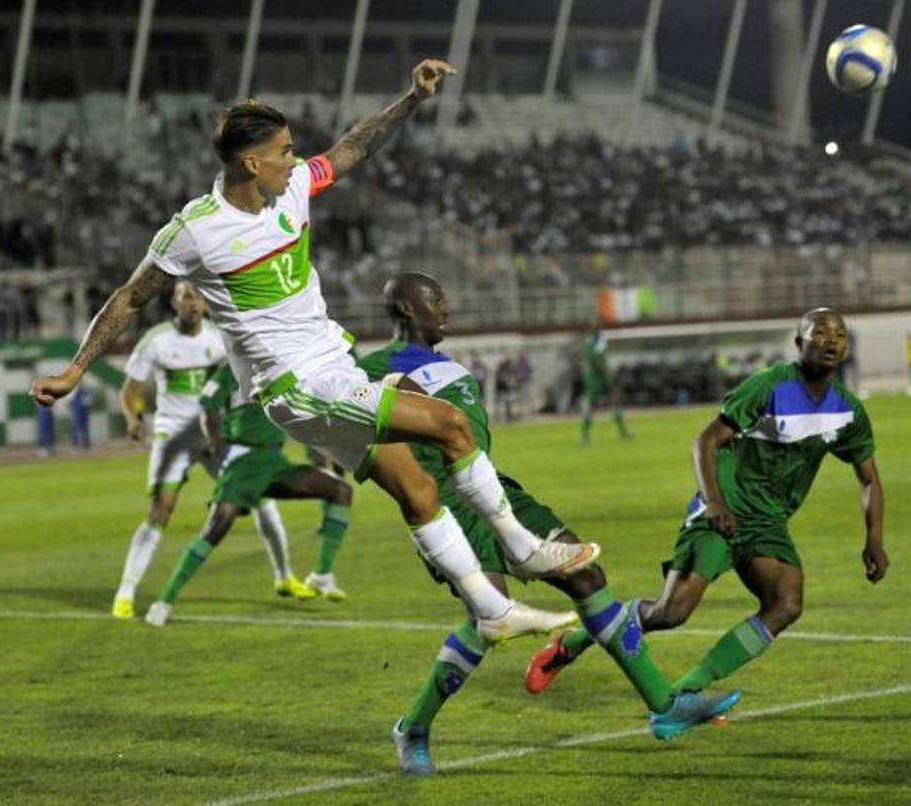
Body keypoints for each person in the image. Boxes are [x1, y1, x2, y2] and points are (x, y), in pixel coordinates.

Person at [31, 59, 597, 645]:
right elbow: (129, 298)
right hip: (296, 385)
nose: (295, 160)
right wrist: (77, 368)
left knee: (416, 487)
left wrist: (411, 98)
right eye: (284, 150)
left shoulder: (295, 185)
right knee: (451, 425)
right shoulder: (195, 230)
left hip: (332, 368)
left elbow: (353, 148)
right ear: (252, 162)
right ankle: (525, 549)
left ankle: (488, 606)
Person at [362, 273, 739, 775]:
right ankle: (413, 728)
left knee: (586, 575)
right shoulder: (369, 369)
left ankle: (664, 705)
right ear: (406, 309)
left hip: (497, 491)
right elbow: (354, 437)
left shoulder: (449, 367)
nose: (445, 306)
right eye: (435, 298)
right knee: (488, 622)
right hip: (444, 506)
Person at [526, 308, 890, 713]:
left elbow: (869, 477)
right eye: (820, 333)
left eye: (839, 334)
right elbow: (705, 441)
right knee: (670, 612)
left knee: (786, 604)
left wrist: (874, 539)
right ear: (799, 342)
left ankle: (687, 691)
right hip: (723, 511)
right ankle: (570, 644)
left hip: (767, 523)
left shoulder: (848, 409)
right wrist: (713, 501)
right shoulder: (768, 386)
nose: (832, 341)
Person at [145, 362, 354, 627]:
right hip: (243, 460)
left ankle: (322, 574)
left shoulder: (279, 366)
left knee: (340, 491)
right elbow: (208, 407)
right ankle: (163, 601)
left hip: (274, 462)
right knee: (216, 527)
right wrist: (214, 443)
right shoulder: (229, 369)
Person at [110, 280, 234, 618]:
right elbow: (130, 389)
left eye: (197, 297)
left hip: (214, 434)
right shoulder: (157, 340)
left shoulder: (221, 337)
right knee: (160, 512)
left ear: (206, 304)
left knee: (251, 493)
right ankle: (126, 591)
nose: (192, 303)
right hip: (173, 434)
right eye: (185, 296)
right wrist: (134, 419)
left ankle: (286, 576)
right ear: (174, 303)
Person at [580, 317, 632, 445]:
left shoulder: (601, 338)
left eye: (599, 325)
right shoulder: (589, 340)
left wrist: (607, 370)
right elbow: (593, 359)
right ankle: (585, 436)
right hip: (594, 377)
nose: (598, 327)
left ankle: (623, 432)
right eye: (595, 325)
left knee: (614, 400)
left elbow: (602, 356)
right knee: (592, 404)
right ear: (590, 327)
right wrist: (605, 371)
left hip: (604, 375)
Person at [69, 385, 91, 453]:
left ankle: (86, 446)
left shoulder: (85, 393)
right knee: (76, 431)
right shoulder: (72, 394)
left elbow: (88, 404)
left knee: (85, 431)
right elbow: (70, 405)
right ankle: (76, 446)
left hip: (84, 415)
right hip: (76, 415)